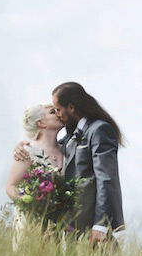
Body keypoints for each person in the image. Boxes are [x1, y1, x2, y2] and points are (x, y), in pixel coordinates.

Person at [14, 82, 124, 245]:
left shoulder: (99, 129)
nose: (58, 114)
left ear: (71, 108)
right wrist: (22, 146)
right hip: (73, 229)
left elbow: (106, 179)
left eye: (58, 109)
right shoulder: (70, 137)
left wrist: (101, 225)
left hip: (93, 226)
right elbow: (47, 148)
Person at [7, 104, 64, 250]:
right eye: (53, 112)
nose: (58, 113)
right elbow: (11, 186)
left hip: (56, 227)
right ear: (41, 123)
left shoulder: (66, 151)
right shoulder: (27, 151)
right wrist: (31, 203)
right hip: (31, 225)